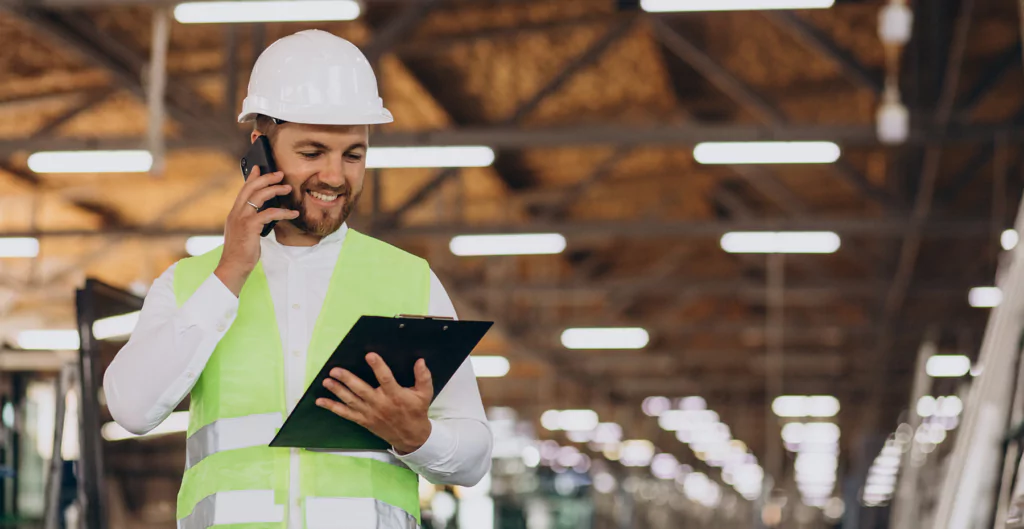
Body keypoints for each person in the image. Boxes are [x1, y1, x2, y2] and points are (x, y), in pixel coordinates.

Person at [102, 30, 493, 529]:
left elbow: (475, 456)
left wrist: (418, 437)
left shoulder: (410, 281)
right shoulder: (191, 283)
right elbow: (131, 409)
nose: (335, 175)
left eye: (353, 155)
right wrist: (230, 274)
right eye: (312, 152)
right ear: (260, 149)